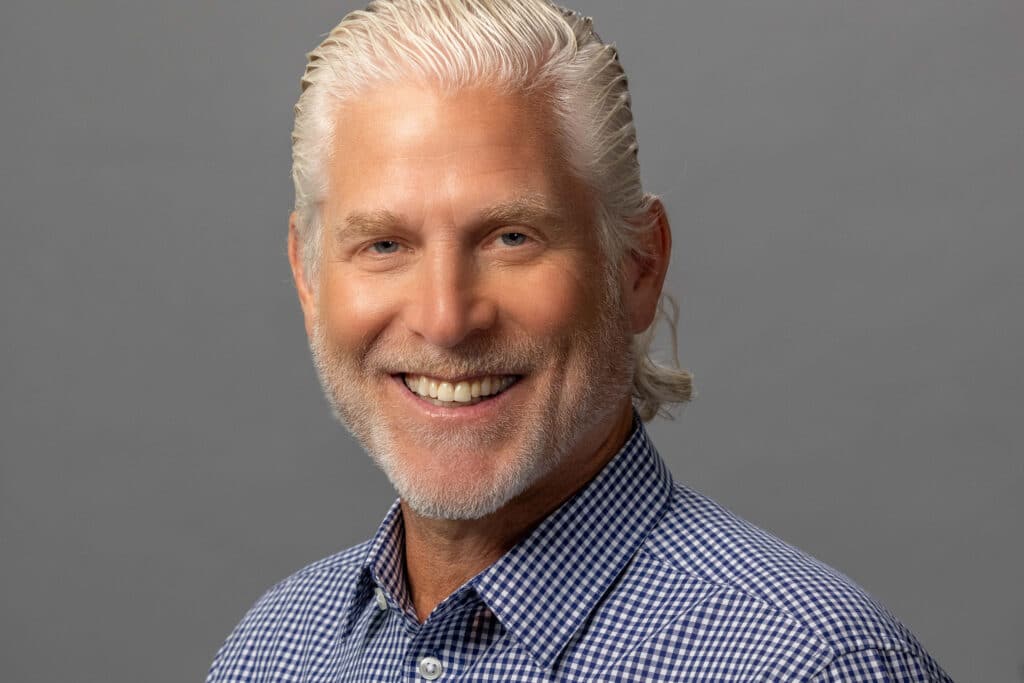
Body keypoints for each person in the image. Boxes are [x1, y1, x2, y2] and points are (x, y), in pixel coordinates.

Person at [207, 1, 951, 680]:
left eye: (511, 236)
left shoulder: (810, 663)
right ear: (308, 280)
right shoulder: (272, 651)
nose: (445, 318)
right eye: (383, 244)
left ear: (637, 266)